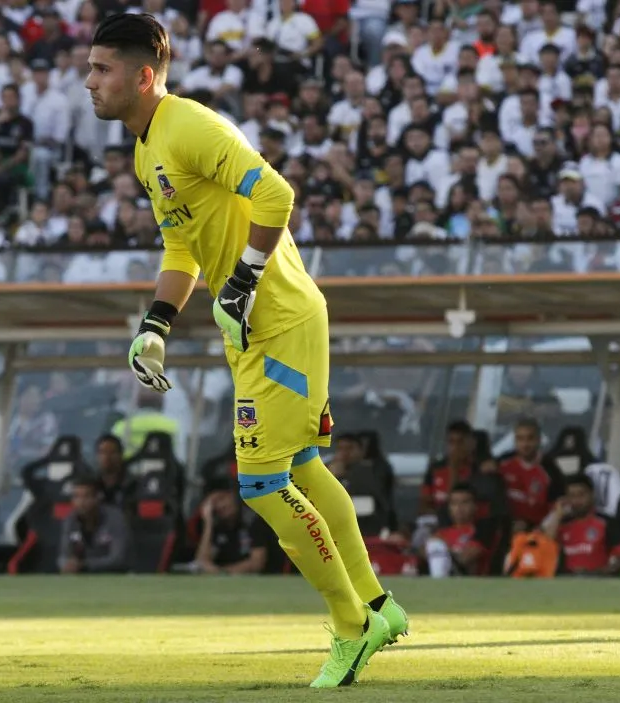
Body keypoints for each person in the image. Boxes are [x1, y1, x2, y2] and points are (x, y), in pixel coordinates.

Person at [86, 13, 405, 687]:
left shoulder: (190, 126)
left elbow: (276, 194)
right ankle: (378, 603)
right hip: (256, 327)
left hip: (279, 319)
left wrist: (242, 283)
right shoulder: (147, 150)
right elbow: (181, 245)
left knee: (261, 483)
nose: (90, 82)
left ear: (143, 76)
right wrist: (157, 322)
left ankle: (352, 626)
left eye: (101, 68)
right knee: (307, 470)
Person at [58, 476, 131, 574]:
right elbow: (63, 556)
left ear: (98, 497)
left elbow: (118, 559)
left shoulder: (115, 518)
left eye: (86, 496)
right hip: (82, 578)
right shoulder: (70, 520)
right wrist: (67, 564)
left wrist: (84, 565)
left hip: (115, 577)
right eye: (76, 496)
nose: (81, 502)